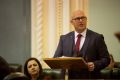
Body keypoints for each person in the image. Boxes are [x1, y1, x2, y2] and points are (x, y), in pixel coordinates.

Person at [53, 10, 110, 79]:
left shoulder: (97, 37)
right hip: (68, 77)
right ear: (72, 22)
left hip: (90, 77)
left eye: (83, 18)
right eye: (77, 18)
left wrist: (95, 65)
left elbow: (106, 59)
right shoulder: (64, 38)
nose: (81, 20)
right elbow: (56, 58)